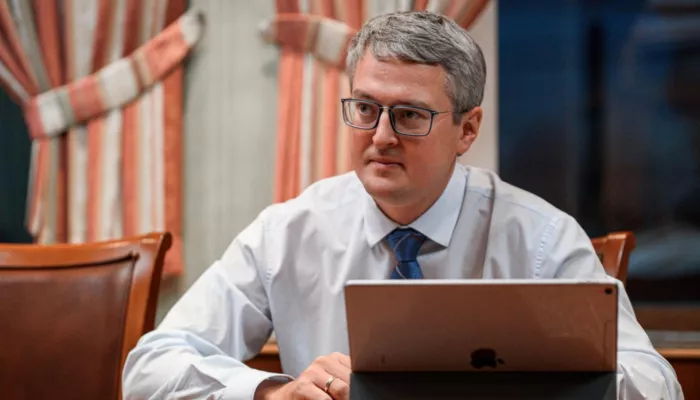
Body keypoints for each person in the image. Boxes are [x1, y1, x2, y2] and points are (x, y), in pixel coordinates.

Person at [122, 10, 683, 400]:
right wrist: (272, 390)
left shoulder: (539, 238)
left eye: (410, 115)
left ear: (467, 129)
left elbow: (656, 385)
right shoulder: (289, 231)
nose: (381, 136)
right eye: (365, 108)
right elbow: (150, 367)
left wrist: (522, 383)